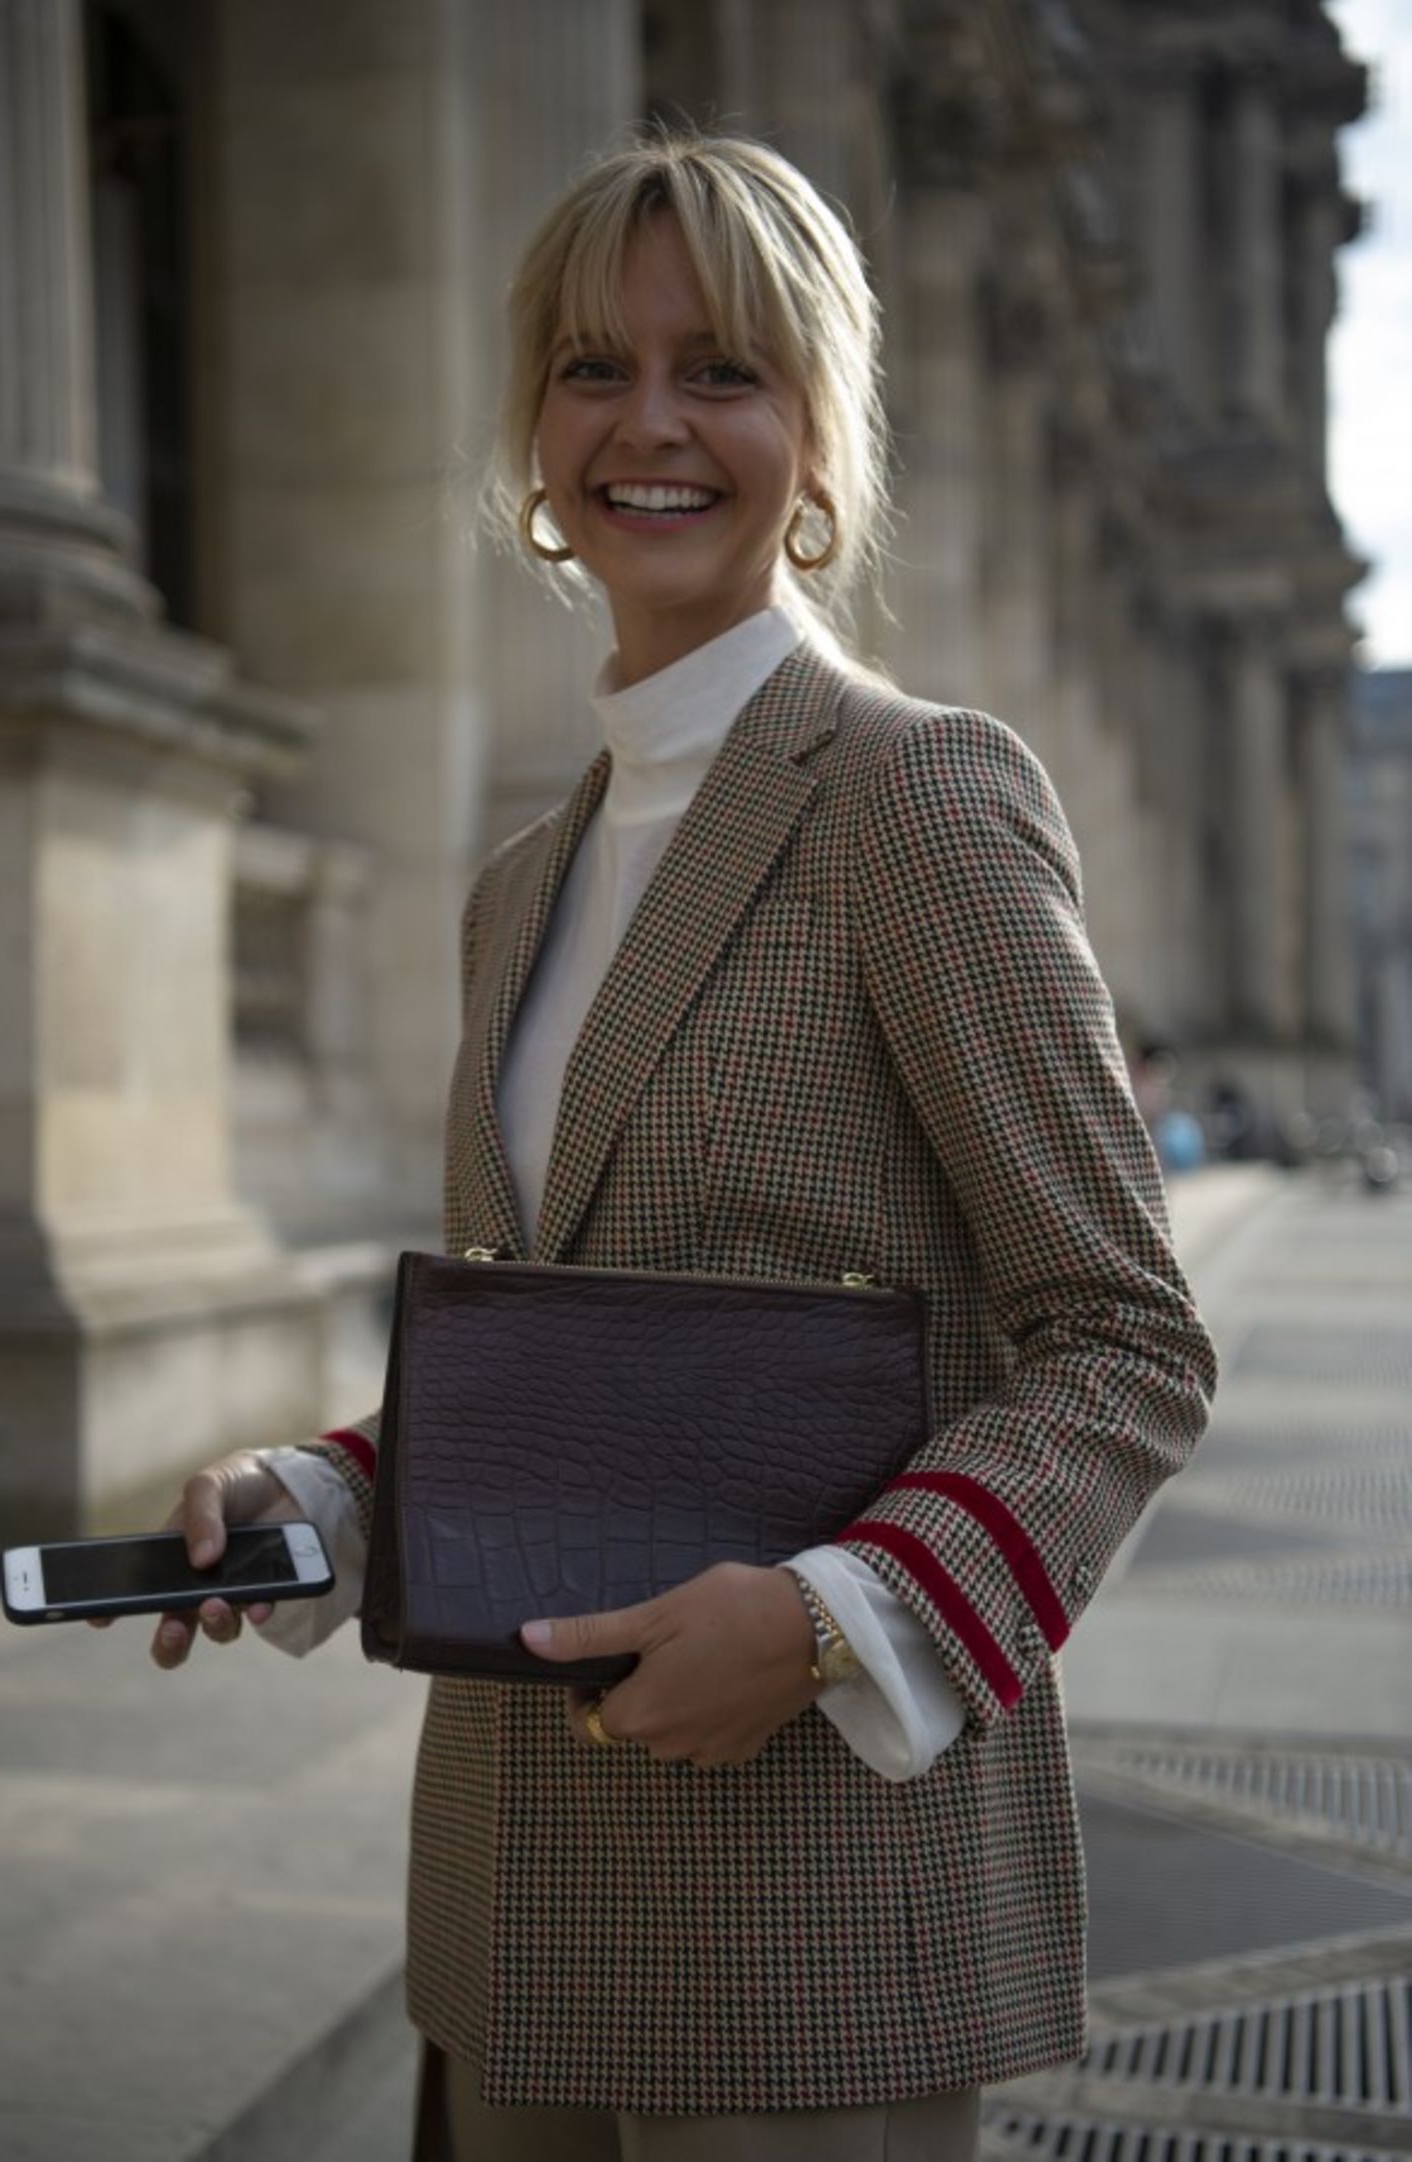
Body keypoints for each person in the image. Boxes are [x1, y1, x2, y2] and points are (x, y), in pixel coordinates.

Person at [143, 131, 1217, 2160]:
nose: (648, 424)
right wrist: (324, 1489)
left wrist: (832, 1617)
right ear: (530, 433)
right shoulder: (515, 883)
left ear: (819, 432)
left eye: (721, 367)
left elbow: (1123, 1340)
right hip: (512, 1894)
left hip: (808, 1901)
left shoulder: (919, 799)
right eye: (589, 368)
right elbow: (577, 1360)